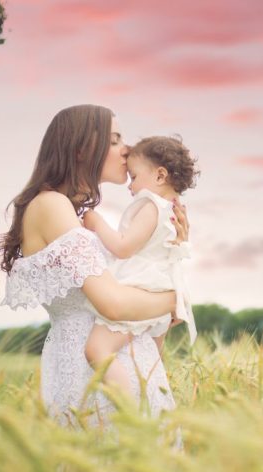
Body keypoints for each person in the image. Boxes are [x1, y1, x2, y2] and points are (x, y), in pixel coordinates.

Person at [0, 105, 189, 428]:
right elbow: (113, 304)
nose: (127, 148)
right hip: (93, 374)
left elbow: (138, 307)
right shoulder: (51, 205)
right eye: (115, 140)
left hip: (126, 366)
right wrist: (177, 299)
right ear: (82, 149)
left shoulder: (70, 214)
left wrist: (171, 251)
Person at [82, 135, 198, 399]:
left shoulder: (151, 206)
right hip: (161, 285)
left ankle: (129, 408)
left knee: (98, 350)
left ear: (159, 176)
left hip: (140, 284)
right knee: (148, 361)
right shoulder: (172, 208)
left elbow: (123, 247)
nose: (129, 185)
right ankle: (152, 404)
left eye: (133, 177)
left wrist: (97, 222)